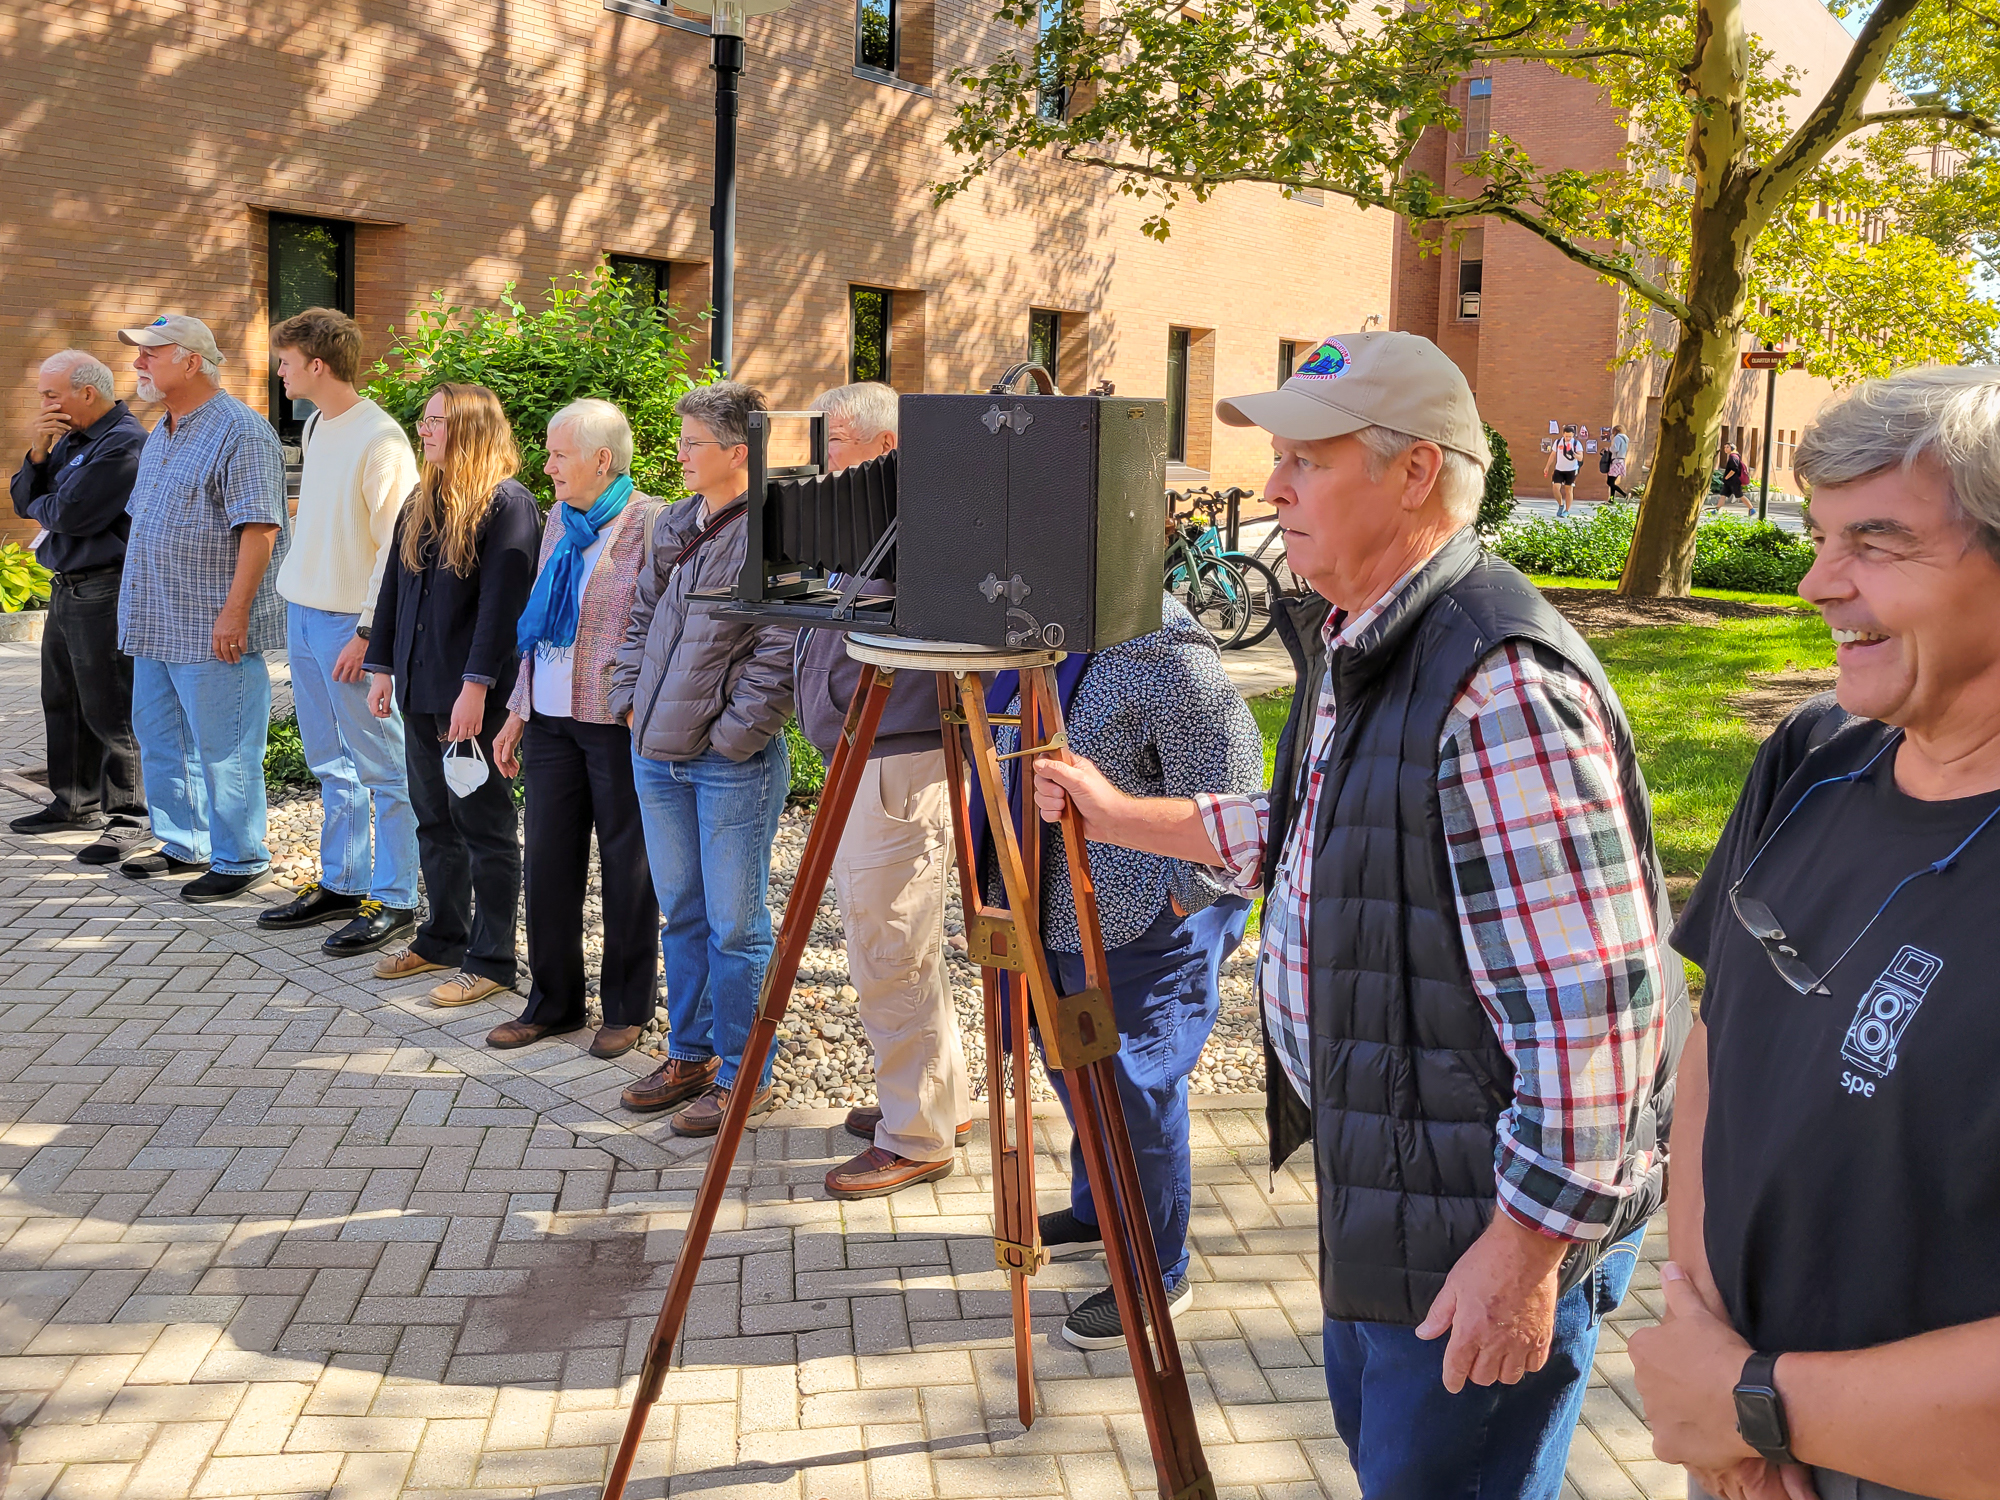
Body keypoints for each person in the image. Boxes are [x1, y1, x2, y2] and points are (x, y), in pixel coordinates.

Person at [1033, 330, 1686, 1499]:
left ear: (1414, 472)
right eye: (1278, 458)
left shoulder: (1495, 684)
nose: (1272, 486)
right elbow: (1320, 834)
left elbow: (1595, 1015)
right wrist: (1120, 814)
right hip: (1400, 1180)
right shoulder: (1372, 639)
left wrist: (1526, 1250)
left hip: (1478, 1216)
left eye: (1306, 460)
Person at [1631, 366, 2000, 1500]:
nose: (1814, 582)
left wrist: (1763, 1407)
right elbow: (1719, 1047)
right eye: (1818, 536)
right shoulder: (1811, 757)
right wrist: (1709, 1356)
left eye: (1876, 544)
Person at [982, 594, 1263, 1348]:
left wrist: (1176, 900)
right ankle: (1097, 1207)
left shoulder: (1165, 648)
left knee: (1136, 1085)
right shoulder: (1043, 630)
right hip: (1054, 907)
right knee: (1070, 1062)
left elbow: (1239, 795)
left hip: (1139, 923)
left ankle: (1155, 1271)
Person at [796, 381, 975, 1199]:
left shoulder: (920, 526)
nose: (822, 457)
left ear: (882, 446)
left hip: (896, 761)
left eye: (835, 441)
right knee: (898, 942)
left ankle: (915, 1135)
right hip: (871, 758)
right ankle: (937, 1101)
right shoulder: (871, 522)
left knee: (888, 947)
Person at [612, 382, 795, 1137]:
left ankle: (743, 1073)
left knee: (736, 928)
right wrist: (628, 700)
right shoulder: (676, 522)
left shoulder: (779, 530)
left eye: (692, 443)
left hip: (730, 767)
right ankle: (688, 1054)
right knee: (682, 914)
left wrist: (732, 737)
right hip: (654, 755)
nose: (680, 454)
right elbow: (639, 617)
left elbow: (782, 649)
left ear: (738, 452)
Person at [487, 400, 663, 1059]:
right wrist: (517, 711)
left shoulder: (651, 522)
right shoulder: (559, 518)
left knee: (627, 866)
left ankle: (626, 1007)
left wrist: (641, 707)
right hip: (551, 721)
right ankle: (553, 1003)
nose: (548, 465)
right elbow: (537, 627)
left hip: (615, 722)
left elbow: (660, 629)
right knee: (548, 863)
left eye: (560, 454)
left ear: (601, 460)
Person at [363, 384, 539, 1006]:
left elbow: (501, 609)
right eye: (425, 419)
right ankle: (442, 937)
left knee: (482, 825)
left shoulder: (507, 504)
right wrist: (382, 668)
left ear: (468, 428)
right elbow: (393, 589)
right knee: (434, 818)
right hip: (420, 688)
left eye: (437, 420)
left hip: (470, 699)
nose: (425, 429)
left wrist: (476, 688)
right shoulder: (422, 498)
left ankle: (491, 961)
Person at [257, 308, 422, 955]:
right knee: (330, 762)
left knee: (383, 767)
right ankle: (343, 882)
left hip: (350, 625)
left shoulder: (382, 441)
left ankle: (398, 898)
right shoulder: (317, 424)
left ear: (317, 365)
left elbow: (397, 547)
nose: (279, 372)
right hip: (304, 615)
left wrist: (368, 634)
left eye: (286, 361)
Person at [115, 315, 290, 903]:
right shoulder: (161, 429)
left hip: (211, 625)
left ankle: (241, 857)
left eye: (151, 352)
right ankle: (182, 841)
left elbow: (260, 528)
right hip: (155, 621)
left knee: (226, 748)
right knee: (160, 738)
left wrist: (235, 612)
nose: (138, 362)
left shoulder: (241, 431)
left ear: (191, 361)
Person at [8, 350, 150, 865]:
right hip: (67, 586)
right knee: (62, 698)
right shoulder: (69, 439)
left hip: (105, 588)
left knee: (110, 705)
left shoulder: (124, 444)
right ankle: (73, 803)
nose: (44, 404)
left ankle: (130, 816)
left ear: (86, 392)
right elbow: (24, 499)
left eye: (51, 394)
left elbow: (70, 514)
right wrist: (38, 454)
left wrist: (48, 500)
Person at [1544, 423, 1583, 515]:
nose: (1568, 438)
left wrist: (1573, 454)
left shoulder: (1576, 443)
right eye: (1566, 436)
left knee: (1568, 490)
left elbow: (1580, 458)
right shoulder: (1558, 442)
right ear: (1563, 434)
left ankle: (1567, 510)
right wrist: (1547, 466)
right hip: (1559, 469)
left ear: (1573, 435)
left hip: (1571, 470)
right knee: (1555, 488)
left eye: (1570, 436)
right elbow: (1553, 455)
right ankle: (1561, 504)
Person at [1719, 443, 1749, 510]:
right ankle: (1717, 509)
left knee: (1739, 495)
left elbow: (1734, 469)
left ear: (1732, 448)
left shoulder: (1733, 457)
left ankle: (1751, 508)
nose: (1725, 449)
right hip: (1729, 481)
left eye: (1727, 447)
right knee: (1723, 494)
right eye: (1725, 447)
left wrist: (1726, 477)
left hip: (1734, 481)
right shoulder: (1733, 456)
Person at [1607, 423, 1631, 499]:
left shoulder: (1617, 438)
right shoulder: (1625, 439)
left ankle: (1625, 495)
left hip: (1616, 461)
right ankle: (1611, 499)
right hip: (1621, 461)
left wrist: (1609, 449)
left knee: (1609, 482)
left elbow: (1615, 448)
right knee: (1612, 482)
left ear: (1615, 431)